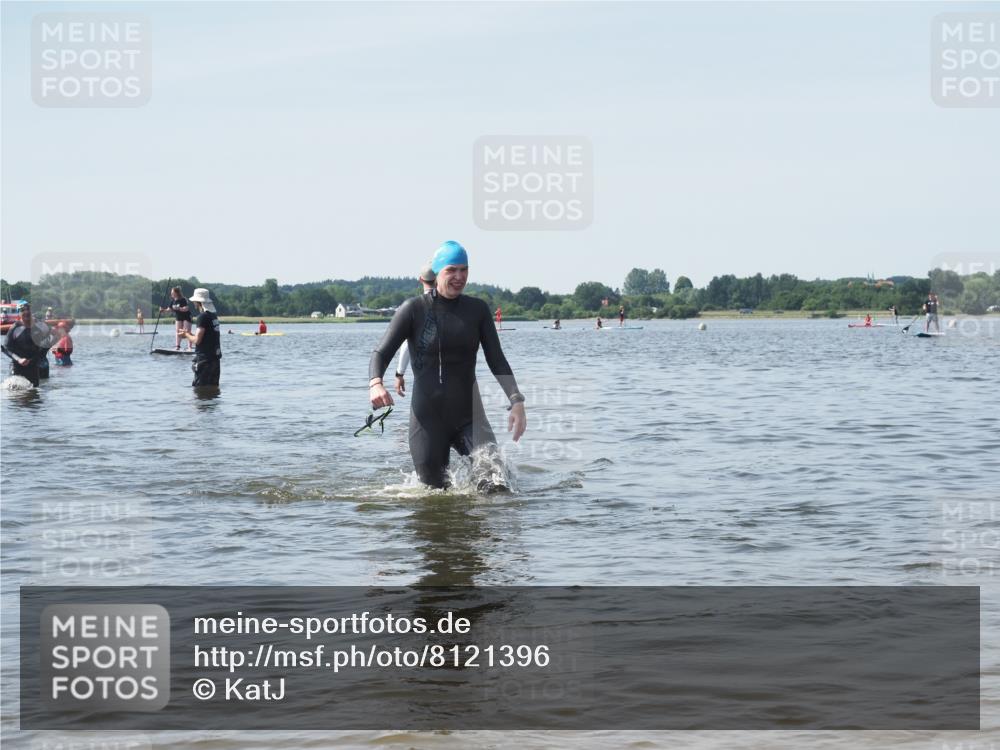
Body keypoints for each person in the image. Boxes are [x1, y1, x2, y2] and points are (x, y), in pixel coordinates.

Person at [369, 241, 527, 489]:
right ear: (438, 272)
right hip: (427, 421)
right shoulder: (413, 309)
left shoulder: (477, 310)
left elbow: (496, 358)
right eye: (452, 270)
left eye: (464, 270)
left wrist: (516, 400)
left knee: (496, 482)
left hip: (470, 417)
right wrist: (376, 383)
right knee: (433, 493)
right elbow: (381, 352)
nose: (459, 276)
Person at [393, 264, 436, 397]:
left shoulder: (414, 307)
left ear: (421, 279)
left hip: (424, 382)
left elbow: (407, 345)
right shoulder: (450, 305)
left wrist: (399, 374)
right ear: (438, 279)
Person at [179, 288, 221, 387]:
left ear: (198, 302)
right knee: (213, 391)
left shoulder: (202, 317)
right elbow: (206, 338)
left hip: (204, 360)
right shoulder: (213, 316)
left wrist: (186, 335)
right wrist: (189, 334)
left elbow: (197, 340)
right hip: (215, 360)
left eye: (194, 302)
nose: (194, 304)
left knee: (199, 391)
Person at [4, 302, 53, 386]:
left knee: (34, 394)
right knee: (16, 394)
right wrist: (19, 359)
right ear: (19, 313)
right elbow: (6, 348)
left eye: (28, 310)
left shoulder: (39, 326)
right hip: (17, 367)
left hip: (33, 367)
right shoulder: (15, 328)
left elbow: (47, 343)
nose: (26, 313)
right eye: (23, 310)